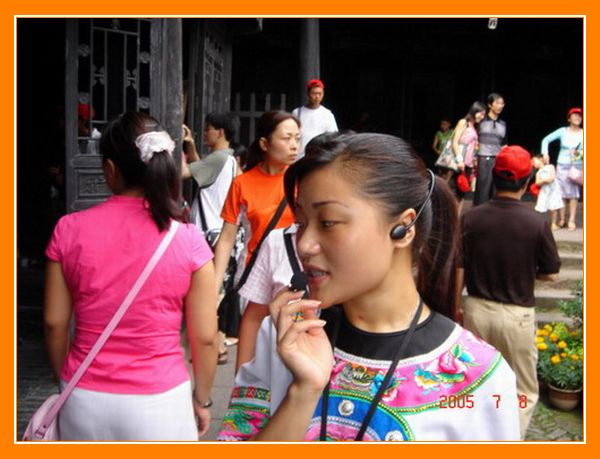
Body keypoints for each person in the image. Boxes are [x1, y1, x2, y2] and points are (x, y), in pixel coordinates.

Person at [218, 132, 520, 441]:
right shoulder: (286, 337)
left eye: (328, 222)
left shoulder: (480, 378)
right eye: (302, 223)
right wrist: (302, 393)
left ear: (403, 228)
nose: (304, 245)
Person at [44, 112, 218, 440]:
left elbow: (55, 324)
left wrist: (66, 380)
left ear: (110, 170)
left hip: (84, 397)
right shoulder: (188, 239)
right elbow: (206, 337)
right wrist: (202, 399)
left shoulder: (68, 229)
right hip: (161, 400)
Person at [459, 145, 561, 439]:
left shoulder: (471, 217)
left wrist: (455, 306)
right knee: (523, 390)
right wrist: (528, 271)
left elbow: (458, 267)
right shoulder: (537, 222)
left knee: (473, 383)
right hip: (517, 316)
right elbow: (552, 272)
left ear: (493, 176)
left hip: (476, 310)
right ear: (527, 180)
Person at [212, 110, 299, 371]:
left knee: (288, 356)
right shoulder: (242, 183)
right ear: (264, 143)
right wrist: (215, 285)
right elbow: (227, 238)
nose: (294, 145)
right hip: (256, 274)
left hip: (294, 276)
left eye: (297, 138)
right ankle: (243, 392)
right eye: (286, 138)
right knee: (252, 354)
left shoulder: (302, 180)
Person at [182, 112, 240, 247]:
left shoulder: (218, 158)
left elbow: (182, 173)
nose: (204, 133)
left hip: (205, 232)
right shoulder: (229, 158)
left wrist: (173, 147)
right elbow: (201, 171)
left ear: (220, 133)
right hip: (214, 230)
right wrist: (190, 144)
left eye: (208, 129)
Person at [540, 107, 584, 231]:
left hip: (577, 166)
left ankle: (571, 220)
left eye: (580, 116)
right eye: (575, 115)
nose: (578, 117)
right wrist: (545, 153)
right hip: (562, 165)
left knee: (574, 194)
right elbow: (546, 140)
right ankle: (562, 219)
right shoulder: (562, 131)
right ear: (569, 119)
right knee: (561, 193)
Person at [447, 102, 487, 210]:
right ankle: (450, 218)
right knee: (452, 194)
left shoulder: (475, 127)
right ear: (474, 111)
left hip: (468, 166)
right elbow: (455, 142)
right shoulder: (463, 122)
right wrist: (459, 159)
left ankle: (457, 219)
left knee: (461, 195)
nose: (482, 117)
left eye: (484, 115)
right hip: (458, 164)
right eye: (481, 113)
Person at [473, 93, 507, 206]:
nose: (500, 106)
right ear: (490, 105)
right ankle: (479, 212)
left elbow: (504, 144)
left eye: (502, 103)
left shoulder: (503, 124)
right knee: (482, 189)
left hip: (498, 159)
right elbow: (474, 138)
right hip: (483, 157)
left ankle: (494, 213)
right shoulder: (481, 121)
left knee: (496, 189)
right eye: (497, 103)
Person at [292, 79, 338, 158]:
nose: (317, 97)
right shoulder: (297, 113)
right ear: (308, 94)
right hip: (300, 157)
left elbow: (333, 137)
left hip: (319, 158)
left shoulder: (327, 114)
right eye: (314, 93)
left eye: (320, 94)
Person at [531, 154, 564, 229]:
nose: (533, 163)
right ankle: (537, 222)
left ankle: (553, 223)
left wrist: (543, 181)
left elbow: (552, 178)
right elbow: (537, 183)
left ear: (540, 159)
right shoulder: (538, 173)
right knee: (540, 206)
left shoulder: (550, 167)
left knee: (553, 207)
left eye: (534, 161)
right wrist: (545, 180)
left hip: (553, 191)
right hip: (544, 191)